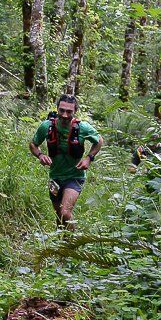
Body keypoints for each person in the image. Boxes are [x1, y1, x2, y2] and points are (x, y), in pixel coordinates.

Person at [29, 94, 103, 229]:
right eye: (61, 110)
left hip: (75, 177)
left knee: (65, 213)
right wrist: (40, 155)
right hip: (54, 178)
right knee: (58, 215)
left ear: (75, 111)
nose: (64, 114)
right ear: (57, 109)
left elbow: (99, 141)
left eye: (69, 111)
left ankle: (73, 246)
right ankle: (61, 243)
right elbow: (33, 144)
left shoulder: (83, 128)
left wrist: (89, 158)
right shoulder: (46, 126)